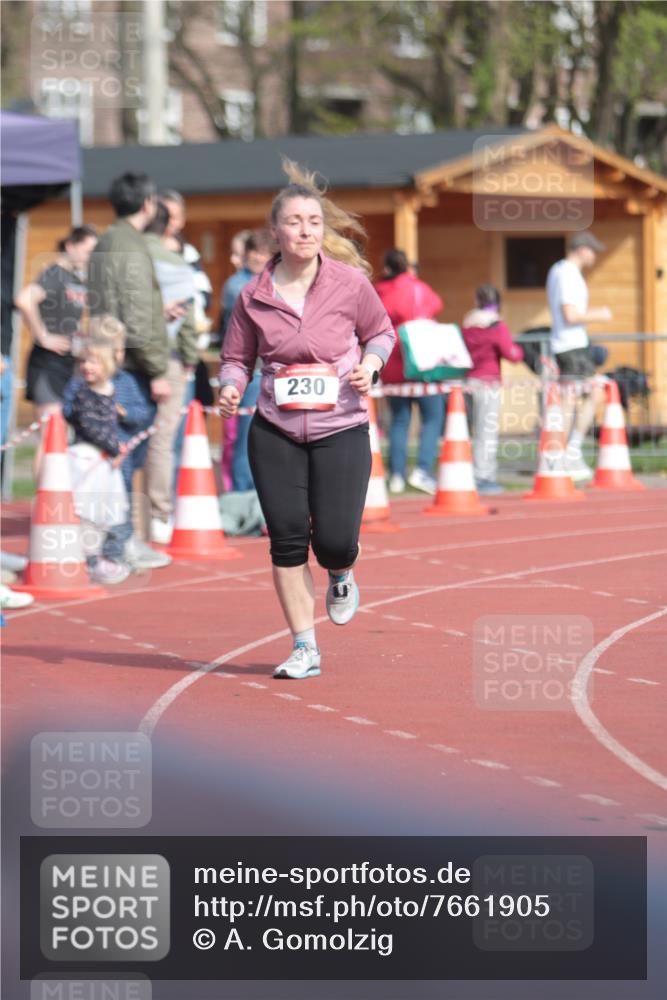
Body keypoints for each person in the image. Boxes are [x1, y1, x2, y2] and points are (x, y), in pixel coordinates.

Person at [219, 162, 395, 680]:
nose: (305, 230)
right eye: (294, 222)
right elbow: (235, 357)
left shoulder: (349, 284)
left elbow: (381, 332)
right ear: (275, 231)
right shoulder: (253, 295)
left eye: (314, 221)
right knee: (288, 539)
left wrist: (370, 364)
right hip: (275, 429)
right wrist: (230, 387)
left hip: (339, 425)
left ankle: (341, 571)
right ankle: (303, 646)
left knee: (335, 539)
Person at [86, 172, 171, 570]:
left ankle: (118, 541)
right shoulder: (130, 245)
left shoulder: (105, 240)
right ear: (148, 203)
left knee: (116, 456)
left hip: (110, 356)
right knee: (126, 458)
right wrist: (156, 367)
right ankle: (121, 545)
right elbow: (137, 313)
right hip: (131, 364)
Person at [16, 225, 98, 472]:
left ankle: (56, 495)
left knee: (62, 435)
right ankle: (44, 503)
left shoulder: (76, 278)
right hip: (46, 364)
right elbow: (24, 300)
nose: (90, 258)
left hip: (67, 364)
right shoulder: (55, 274)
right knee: (51, 434)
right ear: (71, 246)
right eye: (87, 251)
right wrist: (43, 336)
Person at [143, 202, 199, 544]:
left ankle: (125, 510)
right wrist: (191, 356)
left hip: (123, 354)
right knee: (162, 440)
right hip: (167, 356)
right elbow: (188, 318)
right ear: (167, 226)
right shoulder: (176, 263)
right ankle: (158, 514)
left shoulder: (122, 256)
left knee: (129, 437)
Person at [374, 248, 444, 495]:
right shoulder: (416, 288)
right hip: (420, 364)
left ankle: (396, 475)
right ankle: (423, 470)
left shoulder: (379, 292)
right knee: (433, 417)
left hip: (392, 366)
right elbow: (436, 304)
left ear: (386, 268)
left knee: (399, 422)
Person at [546, 232, 612, 481]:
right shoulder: (568, 275)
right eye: (593, 250)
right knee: (587, 395)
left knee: (572, 397)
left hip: (568, 344)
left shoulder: (557, 270)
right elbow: (570, 315)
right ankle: (569, 451)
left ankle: (563, 452)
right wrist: (600, 314)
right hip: (571, 346)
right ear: (582, 249)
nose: (594, 256)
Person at [64, 337, 130, 585]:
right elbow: (90, 426)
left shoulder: (110, 391)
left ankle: (98, 556)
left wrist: (117, 448)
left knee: (104, 511)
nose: (87, 367)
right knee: (86, 510)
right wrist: (115, 448)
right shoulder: (84, 394)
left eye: (93, 362)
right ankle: (86, 560)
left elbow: (109, 426)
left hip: (104, 463)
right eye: (83, 361)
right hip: (86, 458)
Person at [220, 230, 273, 491]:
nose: (261, 258)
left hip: (269, 369)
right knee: (246, 436)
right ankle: (243, 492)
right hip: (249, 369)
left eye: (265, 253)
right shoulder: (238, 286)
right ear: (247, 254)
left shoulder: (269, 281)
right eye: (256, 252)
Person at [461, 285, 524, 495]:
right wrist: (521, 351)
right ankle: (483, 476)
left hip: (469, 382)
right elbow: (512, 354)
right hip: (488, 382)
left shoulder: (467, 324)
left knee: (470, 431)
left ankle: (468, 473)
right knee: (486, 432)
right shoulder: (496, 325)